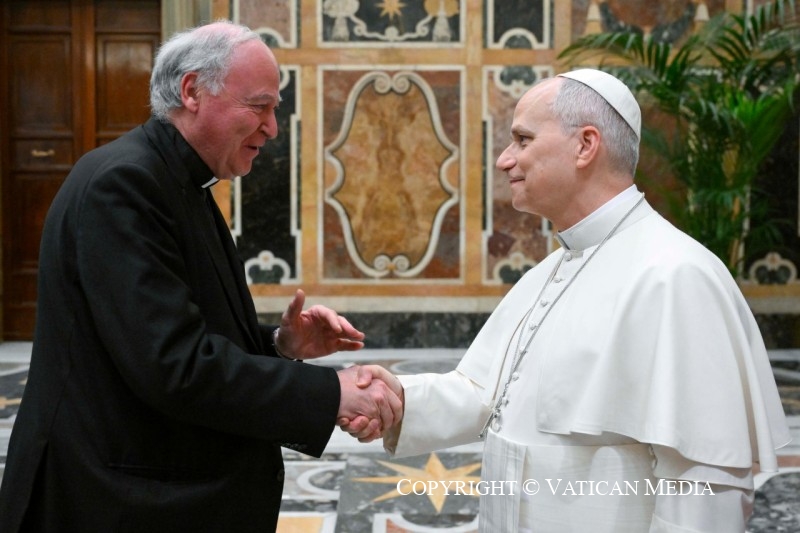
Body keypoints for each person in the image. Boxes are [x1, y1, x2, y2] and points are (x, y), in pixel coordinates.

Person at [341, 68, 791, 532]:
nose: (504, 160)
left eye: (522, 139)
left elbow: (704, 486)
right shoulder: (553, 268)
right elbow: (489, 394)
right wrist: (397, 398)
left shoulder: (675, 276)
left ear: (585, 145)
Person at [0, 21, 401, 532]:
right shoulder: (125, 185)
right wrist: (331, 393)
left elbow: (178, 329)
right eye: (259, 107)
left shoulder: (177, 178)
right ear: (192, 91)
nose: (273, 127)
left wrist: (279, 343)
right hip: (112, 498)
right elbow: (173, 366)